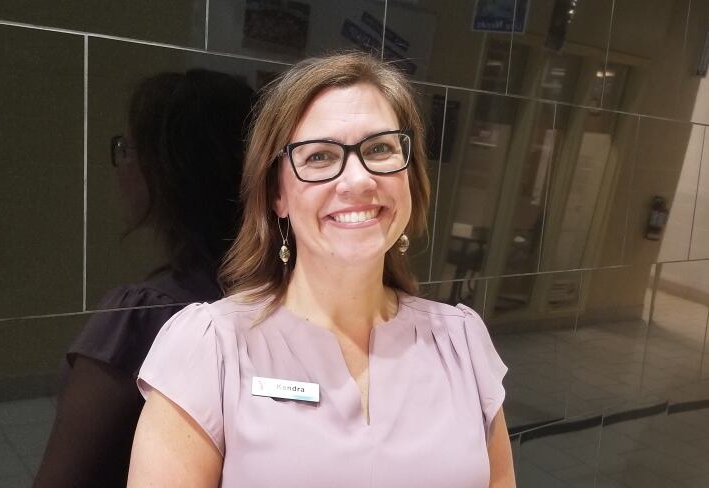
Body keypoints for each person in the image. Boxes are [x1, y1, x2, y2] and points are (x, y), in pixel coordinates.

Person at [129, 52, 515, 487]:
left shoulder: (461, 341)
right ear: (277, 194)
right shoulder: (211, 349)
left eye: (380, 148)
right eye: (319, 157)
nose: (358, 180)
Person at [34, 69, 254, 487]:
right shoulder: (278, 295)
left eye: (128, 149)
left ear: (170, 171)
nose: (122, 165)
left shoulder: (138, 316)